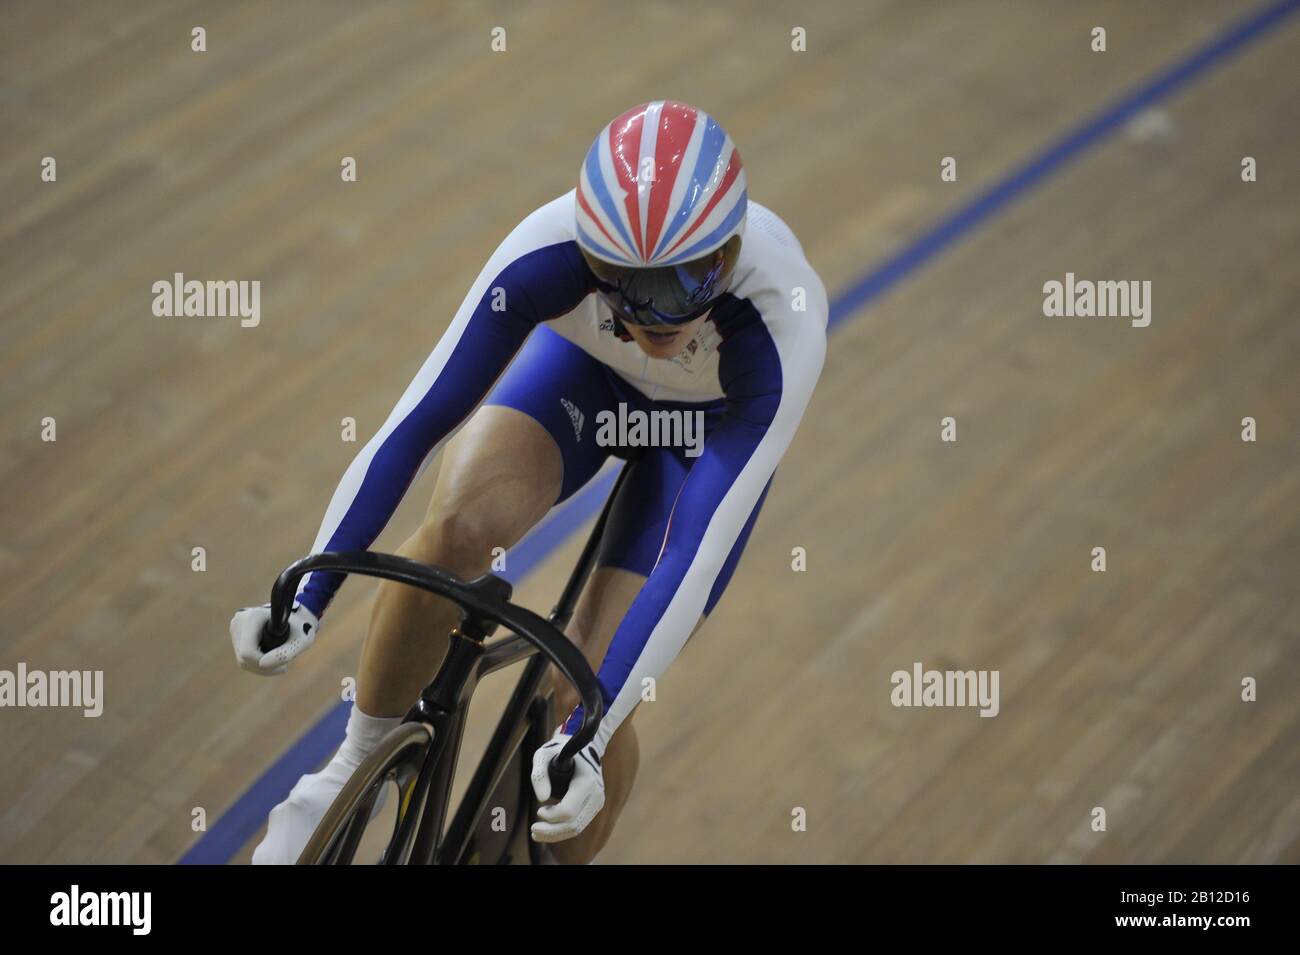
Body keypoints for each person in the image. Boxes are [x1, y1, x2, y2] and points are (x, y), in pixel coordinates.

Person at [230, 100, 828, 864]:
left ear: (731, 249)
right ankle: (350, 767)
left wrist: (592, 732)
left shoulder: (783, 323)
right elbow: (416, 420)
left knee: (587, 685)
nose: (653, 316)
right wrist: (306, 591)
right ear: (589, 258)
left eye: (683, 284)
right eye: (624, 283)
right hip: (590, 382)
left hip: (707, 431)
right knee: (454, 532)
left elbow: (694, 555)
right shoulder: (545, 252)